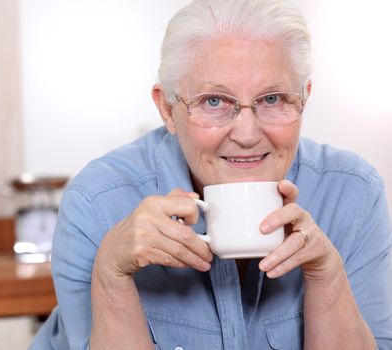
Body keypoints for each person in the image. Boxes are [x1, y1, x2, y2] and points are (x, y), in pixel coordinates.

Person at [30, 0, 392, 348]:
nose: (248, 135)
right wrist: (111, 275)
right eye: (214, 101)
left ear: (304, 98)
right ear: (167, 109)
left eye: (272, 99)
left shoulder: (352, 194)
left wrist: (326, 275)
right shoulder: (97, 203)